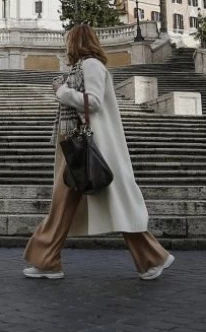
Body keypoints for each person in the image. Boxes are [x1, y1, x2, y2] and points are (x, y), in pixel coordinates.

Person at [23, 24, 175, 280]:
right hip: (76, 144)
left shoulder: (91, 65)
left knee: (112, 204)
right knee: (63, 207)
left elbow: (92, 102)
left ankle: (154, 257)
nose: (65, 45)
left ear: (77, 42)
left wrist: (62, 91)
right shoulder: (80, 67)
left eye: (68, 40)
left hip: (89, 147)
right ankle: (48, 260)